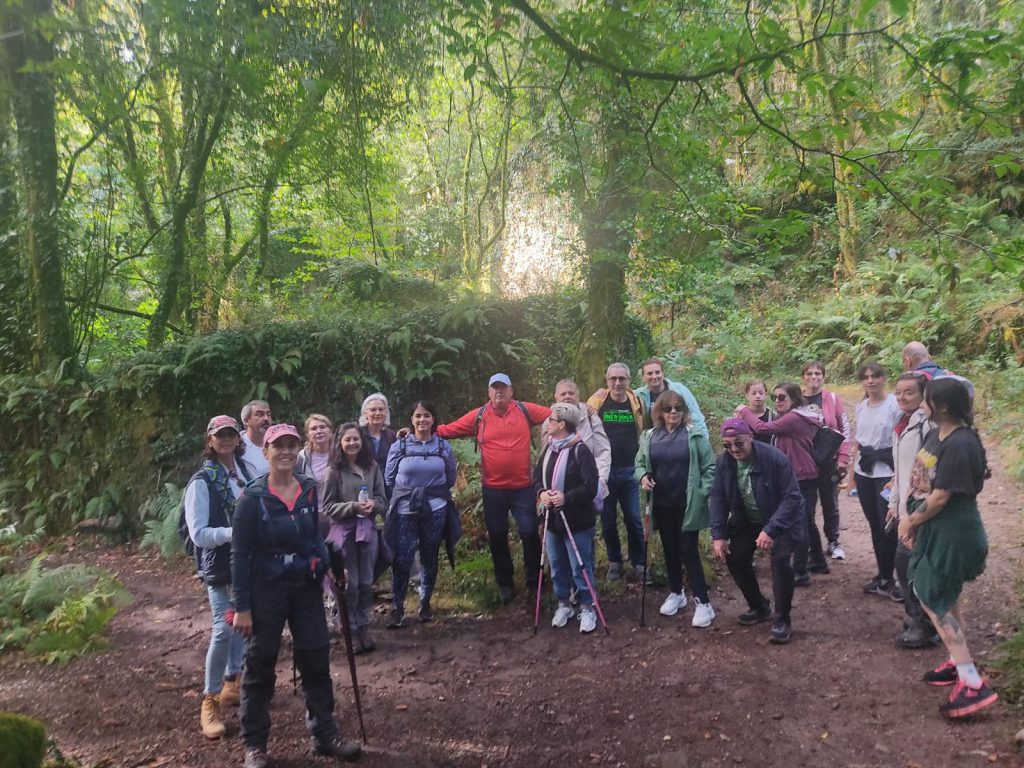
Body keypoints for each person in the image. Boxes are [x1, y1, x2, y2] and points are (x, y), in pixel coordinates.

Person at [231, 423, 361, 767]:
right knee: (260, 665)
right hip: (266, 590)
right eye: (279, 446)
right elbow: (239, 555)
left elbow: (312, 535)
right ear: (266, 452)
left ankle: (324, 733)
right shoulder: (251, 499)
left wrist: (327, 563)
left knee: (316, 657)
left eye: (291, 445)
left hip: (305, 585)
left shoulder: (307, 488)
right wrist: (241, 606)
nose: (286, 451)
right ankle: (255, 745)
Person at [899, 378, 996, 718]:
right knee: (945, 596)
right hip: (934, 529)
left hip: (954, 532)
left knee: (933, 598)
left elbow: (940, 496)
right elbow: (924, 479)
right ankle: (959, 661)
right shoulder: (934, 434)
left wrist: (910, 522)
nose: (919, 403)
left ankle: (972, 682)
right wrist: (913, 517)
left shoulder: (961, 443)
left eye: (925, 399)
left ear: (939, 406)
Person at [436, 373, 550, 603]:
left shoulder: (524, 410)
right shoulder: (479, 416)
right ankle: (505, 583)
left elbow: (557, 414)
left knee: (529, 531)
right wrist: (418, 431)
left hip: (523, 487)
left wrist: (585, 407)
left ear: (511, 391)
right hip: (493, 489)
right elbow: (447, 430)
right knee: (497, 535)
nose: (499, 392)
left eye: (503, 388)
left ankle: (535, 580)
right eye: (494, 388)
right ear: (489, 392)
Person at [183, 415, 254, 739]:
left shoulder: (245, 473)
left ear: (238, 439)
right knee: (223, 629)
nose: (225, 440)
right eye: (219, 435)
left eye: (230, 435)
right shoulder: (202, 481)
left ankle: (232, 682)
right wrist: (234, 532)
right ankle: (209, 700)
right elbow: (198, 533)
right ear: (209, 441)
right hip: (221, 565)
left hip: (250, 561)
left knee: (243, 622)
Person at [710, 419, 806, 644]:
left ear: (750, 437)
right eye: (727, 445)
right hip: (749, 520)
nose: (734, 449)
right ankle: (759, 606)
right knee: (735, 557)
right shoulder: (724, 463)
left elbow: (792, 497)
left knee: (781, 561)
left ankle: (783, 619)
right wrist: (719, 534)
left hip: (783, 519)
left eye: (739, 443)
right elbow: (718, 497)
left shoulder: (774, 459)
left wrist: (771, 529)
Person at [635, 391, 717, 627]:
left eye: (678, 408)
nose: (674, 413)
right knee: (669, 549)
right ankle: (676, 593)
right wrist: (642, 477)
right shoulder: (650, 436)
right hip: (660, 503)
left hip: (687, 504)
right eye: (669, 408)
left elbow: (710, 468)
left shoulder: (694, 435)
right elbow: (639, 463)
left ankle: (703, 602)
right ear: (659, 411)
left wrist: (702, 493)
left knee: (688, 550)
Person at [736, 382, 824, 585]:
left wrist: (744, 410)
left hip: (803, 476)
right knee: (806, 522)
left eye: (782, 397)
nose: (777, 401)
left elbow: (761, 428)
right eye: (775, 397)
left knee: (801, 524)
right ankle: (818, 561)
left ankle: (801, 573)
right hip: (797, 474)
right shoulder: (789, 417)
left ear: (793, 398)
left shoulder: (793, 417)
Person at [384, 401, 458, 627]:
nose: (422, 420)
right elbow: (389, 477)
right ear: (412, 419)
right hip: (406, 507)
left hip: (436, 506)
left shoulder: (443, 446)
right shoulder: (400, 446)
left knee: (429, 555)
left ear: (433, 419)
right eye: (418, 416)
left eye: (427, 415)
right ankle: (398, 607)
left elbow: (451, 477)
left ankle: (425, 604)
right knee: (402, 557)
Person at [533, 403, 600, 633]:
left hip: (577, 520)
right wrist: (542, 493)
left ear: (562, 424)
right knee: (558, 565)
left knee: (579, 566)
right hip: (552, 520)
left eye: (551, 421)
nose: (547, 424)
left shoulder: (580, 451)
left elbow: (591, 487)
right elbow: (537, 477)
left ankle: (587, 607)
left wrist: (566, 497)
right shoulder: (549, 448)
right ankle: (564, 604)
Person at [321, 422, 387, 654]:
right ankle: (349, 629)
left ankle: (364, 626)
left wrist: (374, 505)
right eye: (347, 439)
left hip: (367, 531)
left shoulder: (372, 467)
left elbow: (382, 498)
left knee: (367, 582)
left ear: (362, 441)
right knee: (351, 584)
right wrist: (353, 507)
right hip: (345, 533)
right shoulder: (334, 472)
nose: (352, 443)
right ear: (339, 442)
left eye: (356, 439)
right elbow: (328, 507)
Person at [888, 372, 939, 648]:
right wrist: (894, 503)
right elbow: (900, 469)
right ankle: (918, 618)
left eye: (908, 392)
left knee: (909, 562)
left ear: (924, 395)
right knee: (905, 561)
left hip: (921, 505)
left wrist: (916, 509)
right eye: (898, 392)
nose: (901, 397)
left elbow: (929, 472)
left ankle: (924, 625)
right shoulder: (902, 422)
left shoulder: (928, 426)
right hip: (905, 504)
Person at [586, 363, 647, 582]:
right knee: (608, 520)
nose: (617, 383)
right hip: (604, 474)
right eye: (613, 379)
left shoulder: (636, 403)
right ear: (607, 380)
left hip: (630, 470)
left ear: (629, 380)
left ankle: (639, 563)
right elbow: (582, 424)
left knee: (633, 518)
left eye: (622, 378)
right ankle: (615, 562)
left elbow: (645, 432)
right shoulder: (597, 403)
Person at [851, 361, 903, 601]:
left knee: (888, 525)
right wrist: (851, 476)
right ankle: (882, 574)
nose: (871, 381)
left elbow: (901, 439)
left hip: (886, 470)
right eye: (866, 377)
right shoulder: (861, 407)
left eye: (875, 376)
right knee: (874, 523)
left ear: (884, 378)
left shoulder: (894, 405)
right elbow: (858, 442)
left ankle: (891, 578)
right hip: (865, 471)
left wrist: (898, 475)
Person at [800, 361, 851, 560]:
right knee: (807, 505)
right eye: (809, 373)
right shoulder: (797, 399)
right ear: (803, 377)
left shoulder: (831, 398)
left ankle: (833, 541)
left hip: (829, 460)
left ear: (823, 376)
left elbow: (844, 428)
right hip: (805, 461)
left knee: (830, 503)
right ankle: (812, 545)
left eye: (818, 373)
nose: (814, 377)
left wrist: (844, 458)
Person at [545, 379, 611, 499]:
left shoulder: (590, 417)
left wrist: (600, 481)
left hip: (586, 486)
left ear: (578, 395)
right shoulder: (549, 421)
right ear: (556, 397)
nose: (567, 397)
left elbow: (602, 451)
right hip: (555, 489)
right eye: (563, 394)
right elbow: (545, 455)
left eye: (571, 393)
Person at [634, 357, 709, 438]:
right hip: (654, 442)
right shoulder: (638, 395)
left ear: (663, 373)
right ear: (643, 377)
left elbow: (696, 418)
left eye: (657, 372)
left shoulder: (679, 390)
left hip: (681, 438)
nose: (654, 376)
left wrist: (703, 440)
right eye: (650, 373)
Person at [901, 341, 975, 398]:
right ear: (930, 357)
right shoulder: (949, 375)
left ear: (908, 361)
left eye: (903, 362)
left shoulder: (912, 382)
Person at [360, 393, 397, 473]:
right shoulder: (358, 435)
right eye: (373, 410)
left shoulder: (391, 436)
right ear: (365, 413)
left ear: (386, 412)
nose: (377, 413)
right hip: (362, 482)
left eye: (381, 409)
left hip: (386, 483)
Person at [296, 413, 333, 485]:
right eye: (314, 429)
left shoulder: (340, 454)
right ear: (308, 434)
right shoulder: (302, 458)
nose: (319, 431)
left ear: (330, 431)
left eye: (322, 427)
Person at [239, 400, 272, 475]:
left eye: (269, 414)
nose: (266, 418)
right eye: (259, 415)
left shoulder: (277, 444)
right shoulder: (237, 446)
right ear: (246, 420)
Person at [743, 379, 775, 444]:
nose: (758, 396)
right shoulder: (741, 416)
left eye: (761, 393)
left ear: (766, 394)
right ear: (747, 395)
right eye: (753, 393)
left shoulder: (773, 415)